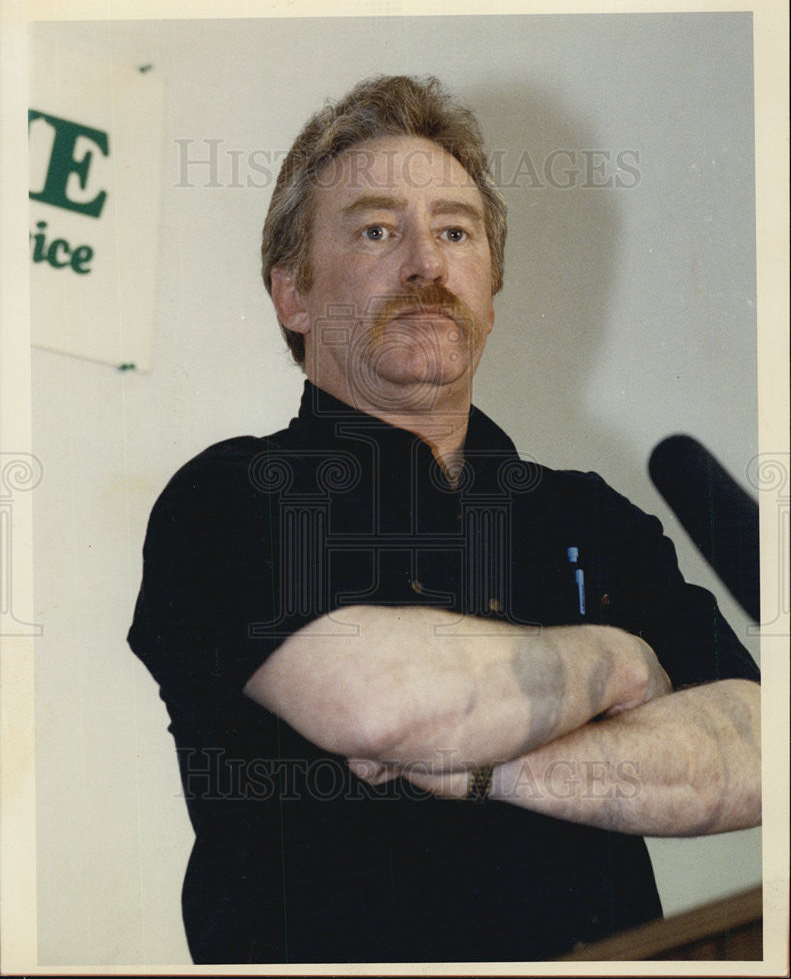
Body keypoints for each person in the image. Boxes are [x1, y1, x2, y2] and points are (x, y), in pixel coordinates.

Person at [128, 75, 761, 964]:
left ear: (490, 293)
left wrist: (482, 766)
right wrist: (617, 658)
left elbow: (753, 748)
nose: (425, 263)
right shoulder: (230, 496)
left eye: (455, 231)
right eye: (378, 230)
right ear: (293, 296)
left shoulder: (590, 513)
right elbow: (380, 700)